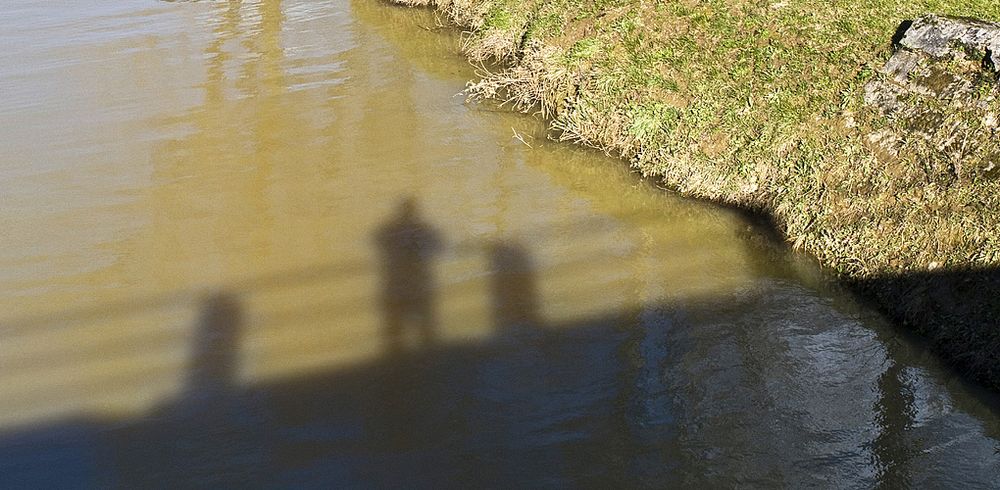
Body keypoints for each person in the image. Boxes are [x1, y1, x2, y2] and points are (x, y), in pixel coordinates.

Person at [374, 198, 442, 353]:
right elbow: (439, 247)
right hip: (419, 284)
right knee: (425, 327)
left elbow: (377, 241)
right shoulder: (424, 229)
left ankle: (396, 366)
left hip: (395, 285)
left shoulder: (389, 229)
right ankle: (428, 363)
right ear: (415, 211)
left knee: (394, 330)